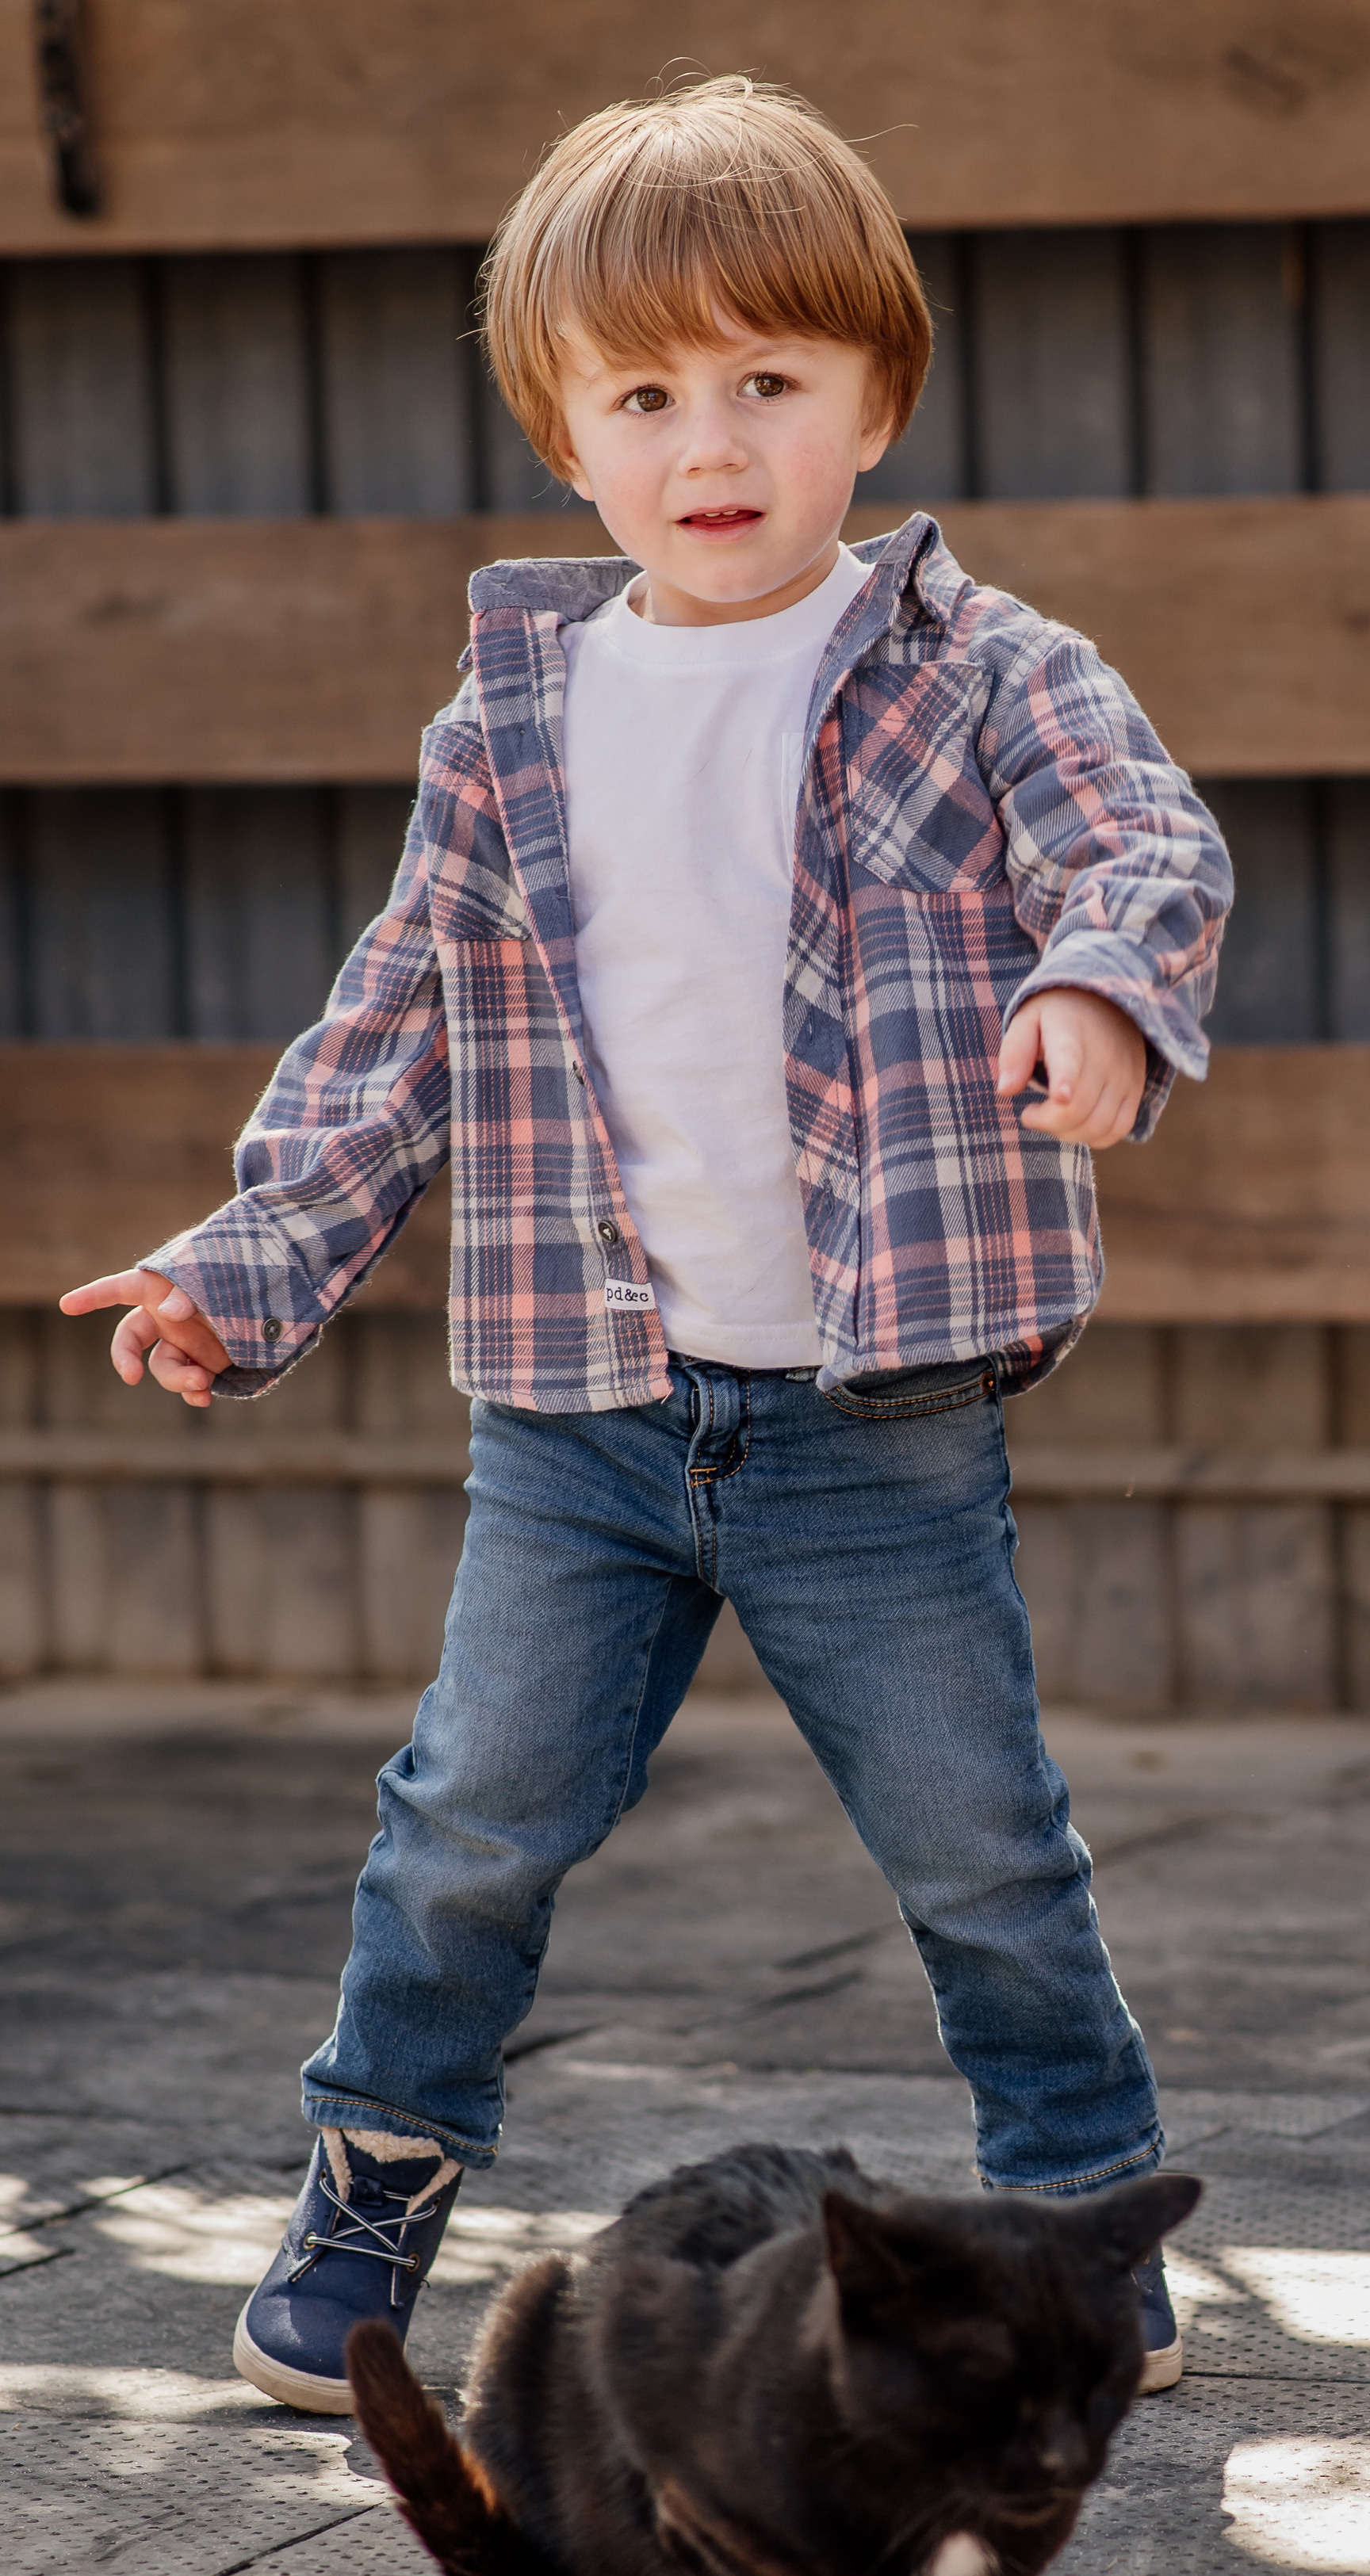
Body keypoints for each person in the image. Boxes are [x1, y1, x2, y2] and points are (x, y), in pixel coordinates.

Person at [61, 75, 1230, 2413]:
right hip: (581, 1412)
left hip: (868, 1423)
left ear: (872, 401)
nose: (713, 440)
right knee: (467, 1820)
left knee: (983, 1846)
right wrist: (248, 1259)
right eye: (645, 393)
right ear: (565, 437)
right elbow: (391, 1028)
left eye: (770, 383)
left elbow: (1143, 845)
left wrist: (1095, 986)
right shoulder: (516, 721)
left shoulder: (980, 670)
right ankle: (372, 2185)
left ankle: (1089, 2204)